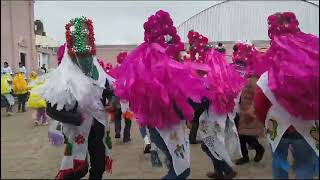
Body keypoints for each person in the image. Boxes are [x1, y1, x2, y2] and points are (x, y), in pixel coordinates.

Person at [114, 10, 215, 179]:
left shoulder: (149, 67)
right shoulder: (164, 71)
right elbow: (178, 105)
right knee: (181, 171)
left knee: (176, 168)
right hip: (165, 129)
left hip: (159, 128)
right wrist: (201, 100)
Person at [41, 17, 114, 179]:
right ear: (73, 55)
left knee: (99, 167)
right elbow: (51, 109)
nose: (86, 60)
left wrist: (112, 103)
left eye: (88, 54)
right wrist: (75, 118)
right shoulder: (64, 77)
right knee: (78, 169)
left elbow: (110, 92)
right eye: (81, 56)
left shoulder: (99, 73)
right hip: (76, 129)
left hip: (98, 128)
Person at [254, 12, 319, 179]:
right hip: (306, 127)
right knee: (304, 164)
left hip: (278, 129)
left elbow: (259, 105)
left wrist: (265, 121)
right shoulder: (314, 73)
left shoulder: (267, 77)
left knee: (278, 162)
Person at [231, 41, 265, 165]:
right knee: (241, 134)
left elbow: (257, 96)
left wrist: (251, 109)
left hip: (247, 109)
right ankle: (245, 155)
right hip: (237, 108)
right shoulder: (238, 73)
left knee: (244, 133)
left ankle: (258, 148)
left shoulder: (253, 77)